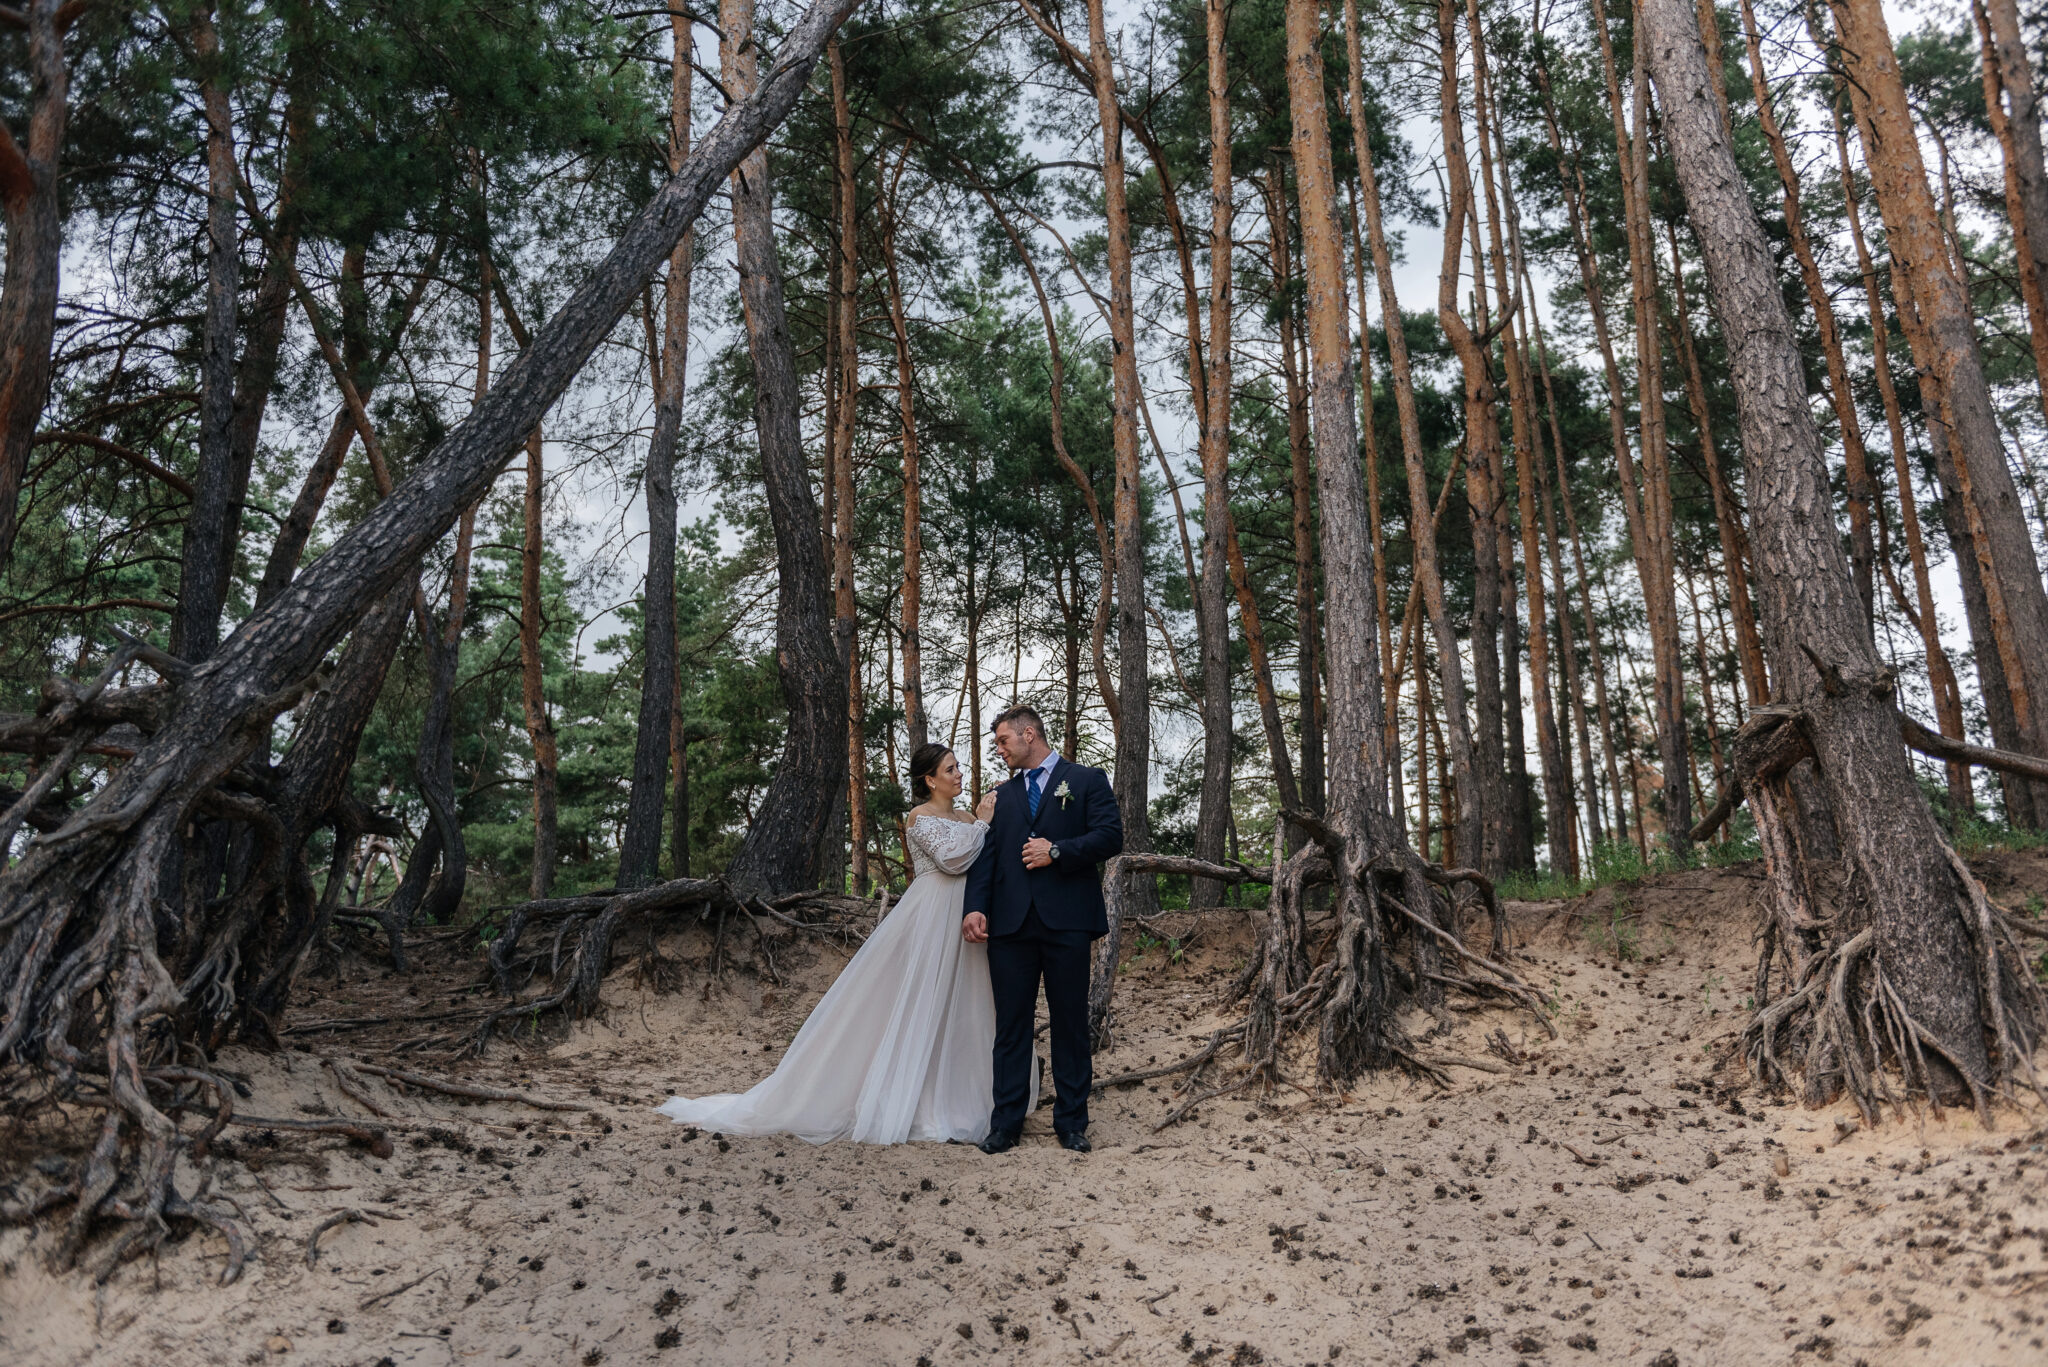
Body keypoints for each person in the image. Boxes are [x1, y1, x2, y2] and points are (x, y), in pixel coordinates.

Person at [653, 743, 1031, 1144]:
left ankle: (965, 1094)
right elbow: (952, 860)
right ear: (930, 779)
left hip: (968, 915)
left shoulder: (967, 817)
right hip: (931, 915)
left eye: (958, 767)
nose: (959, 774)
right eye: (950, 769)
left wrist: (993, 810)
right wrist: (983, 824)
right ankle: (913, 1097)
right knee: (922, 1001)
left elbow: (987, 857)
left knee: (967, 1004)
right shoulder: (920, 816)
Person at [963, 705, 1123, 1154]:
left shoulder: (1086, 780)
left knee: (1069, 1023)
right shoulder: (1001, 796)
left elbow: (1110, 837)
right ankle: (1005, 1124)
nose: (999, 750)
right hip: (1010, 925)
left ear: (1029, 734)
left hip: (1067, 921)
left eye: (1003, 741)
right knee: (1011, 1026)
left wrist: (1057, 851)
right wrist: (974, 907)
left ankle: (1071, 1123)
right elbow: (986, 856)